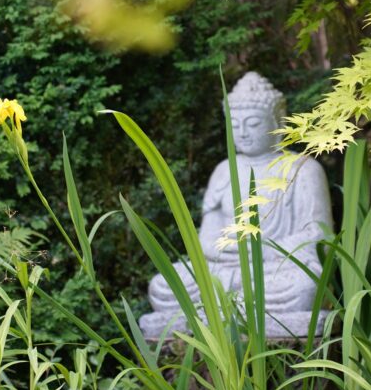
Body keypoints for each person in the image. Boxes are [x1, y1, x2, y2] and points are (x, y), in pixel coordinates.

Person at [139, 72, 333, 337]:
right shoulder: (223, 171)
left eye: (252, 123)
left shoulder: (302, 169)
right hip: (224, 272)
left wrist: (261, 250)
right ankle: (233, 305)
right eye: (234, 124)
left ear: (276, 122)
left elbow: (318, 235)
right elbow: (206, 238)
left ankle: (226, 307)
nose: (242, 132)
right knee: (163, 286)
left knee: (304, 288)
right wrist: (222, 251)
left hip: (276, 270)